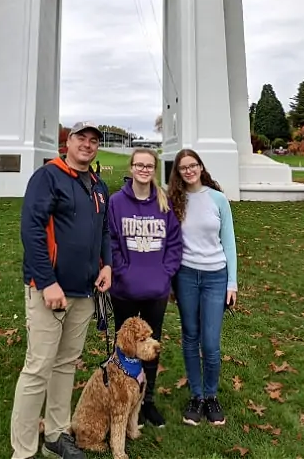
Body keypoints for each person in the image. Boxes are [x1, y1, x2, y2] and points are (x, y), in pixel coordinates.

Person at [9, 122, 112, 459]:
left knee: (66, 364)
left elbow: (104, 232)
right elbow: (31, 229)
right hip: (49, 291)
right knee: (38, 368)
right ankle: (23, 450)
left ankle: (55, 434)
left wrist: (106, 265)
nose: (87, 144)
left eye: (94, 141)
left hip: (84, 292)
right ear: (67, 143)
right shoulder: (48, 177)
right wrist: (47, 281)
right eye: (81, 138)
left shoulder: (98, 186)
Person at [106, 148, 182, 428]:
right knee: (125, 349)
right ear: (132, 167)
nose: (144, 169)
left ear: (154, 169)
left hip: (155, 291)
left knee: (150, 350)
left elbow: (174, 243)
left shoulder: (164, 203)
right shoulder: (116, 202)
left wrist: (165, 273)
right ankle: (120, 400)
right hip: (124, 289)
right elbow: (111, 240)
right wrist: (122, 271)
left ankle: (146, 403)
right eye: (139, 164)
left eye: (149, 165)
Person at [168, 148, 238, 427]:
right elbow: (171, 244)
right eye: (183, 167)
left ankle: (211, 395)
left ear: (200, 167)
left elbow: (229, 243)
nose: (189, 170)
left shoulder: (218, 199)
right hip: (185, 275)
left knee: (210, 343)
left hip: (215, 277)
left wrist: (232, 282)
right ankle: (196, 396)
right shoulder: (175, 200)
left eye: (193, 165)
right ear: (178, 172)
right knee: (190, 337)